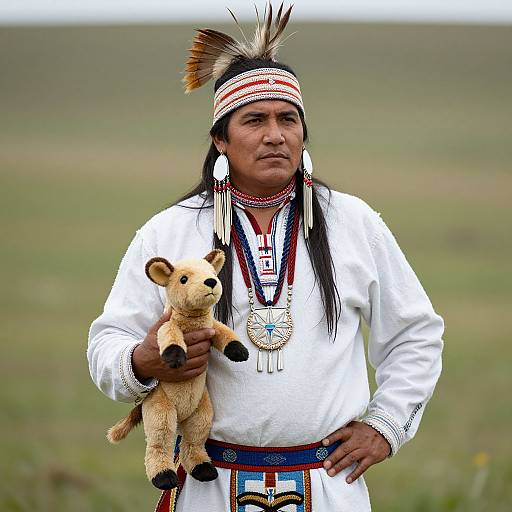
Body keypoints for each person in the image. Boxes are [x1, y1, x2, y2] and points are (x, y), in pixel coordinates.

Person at [88, 4, 444, 511]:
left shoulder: (353, 223)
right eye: (254, 120)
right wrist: (140, 361)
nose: (275, 134)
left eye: (288, 119)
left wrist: (384, 426)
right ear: (220, 140)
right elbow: (107, 342)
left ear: (303, 134)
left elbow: (415, 333)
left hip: (327, 486)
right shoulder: (169, 230)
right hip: (208, 482)